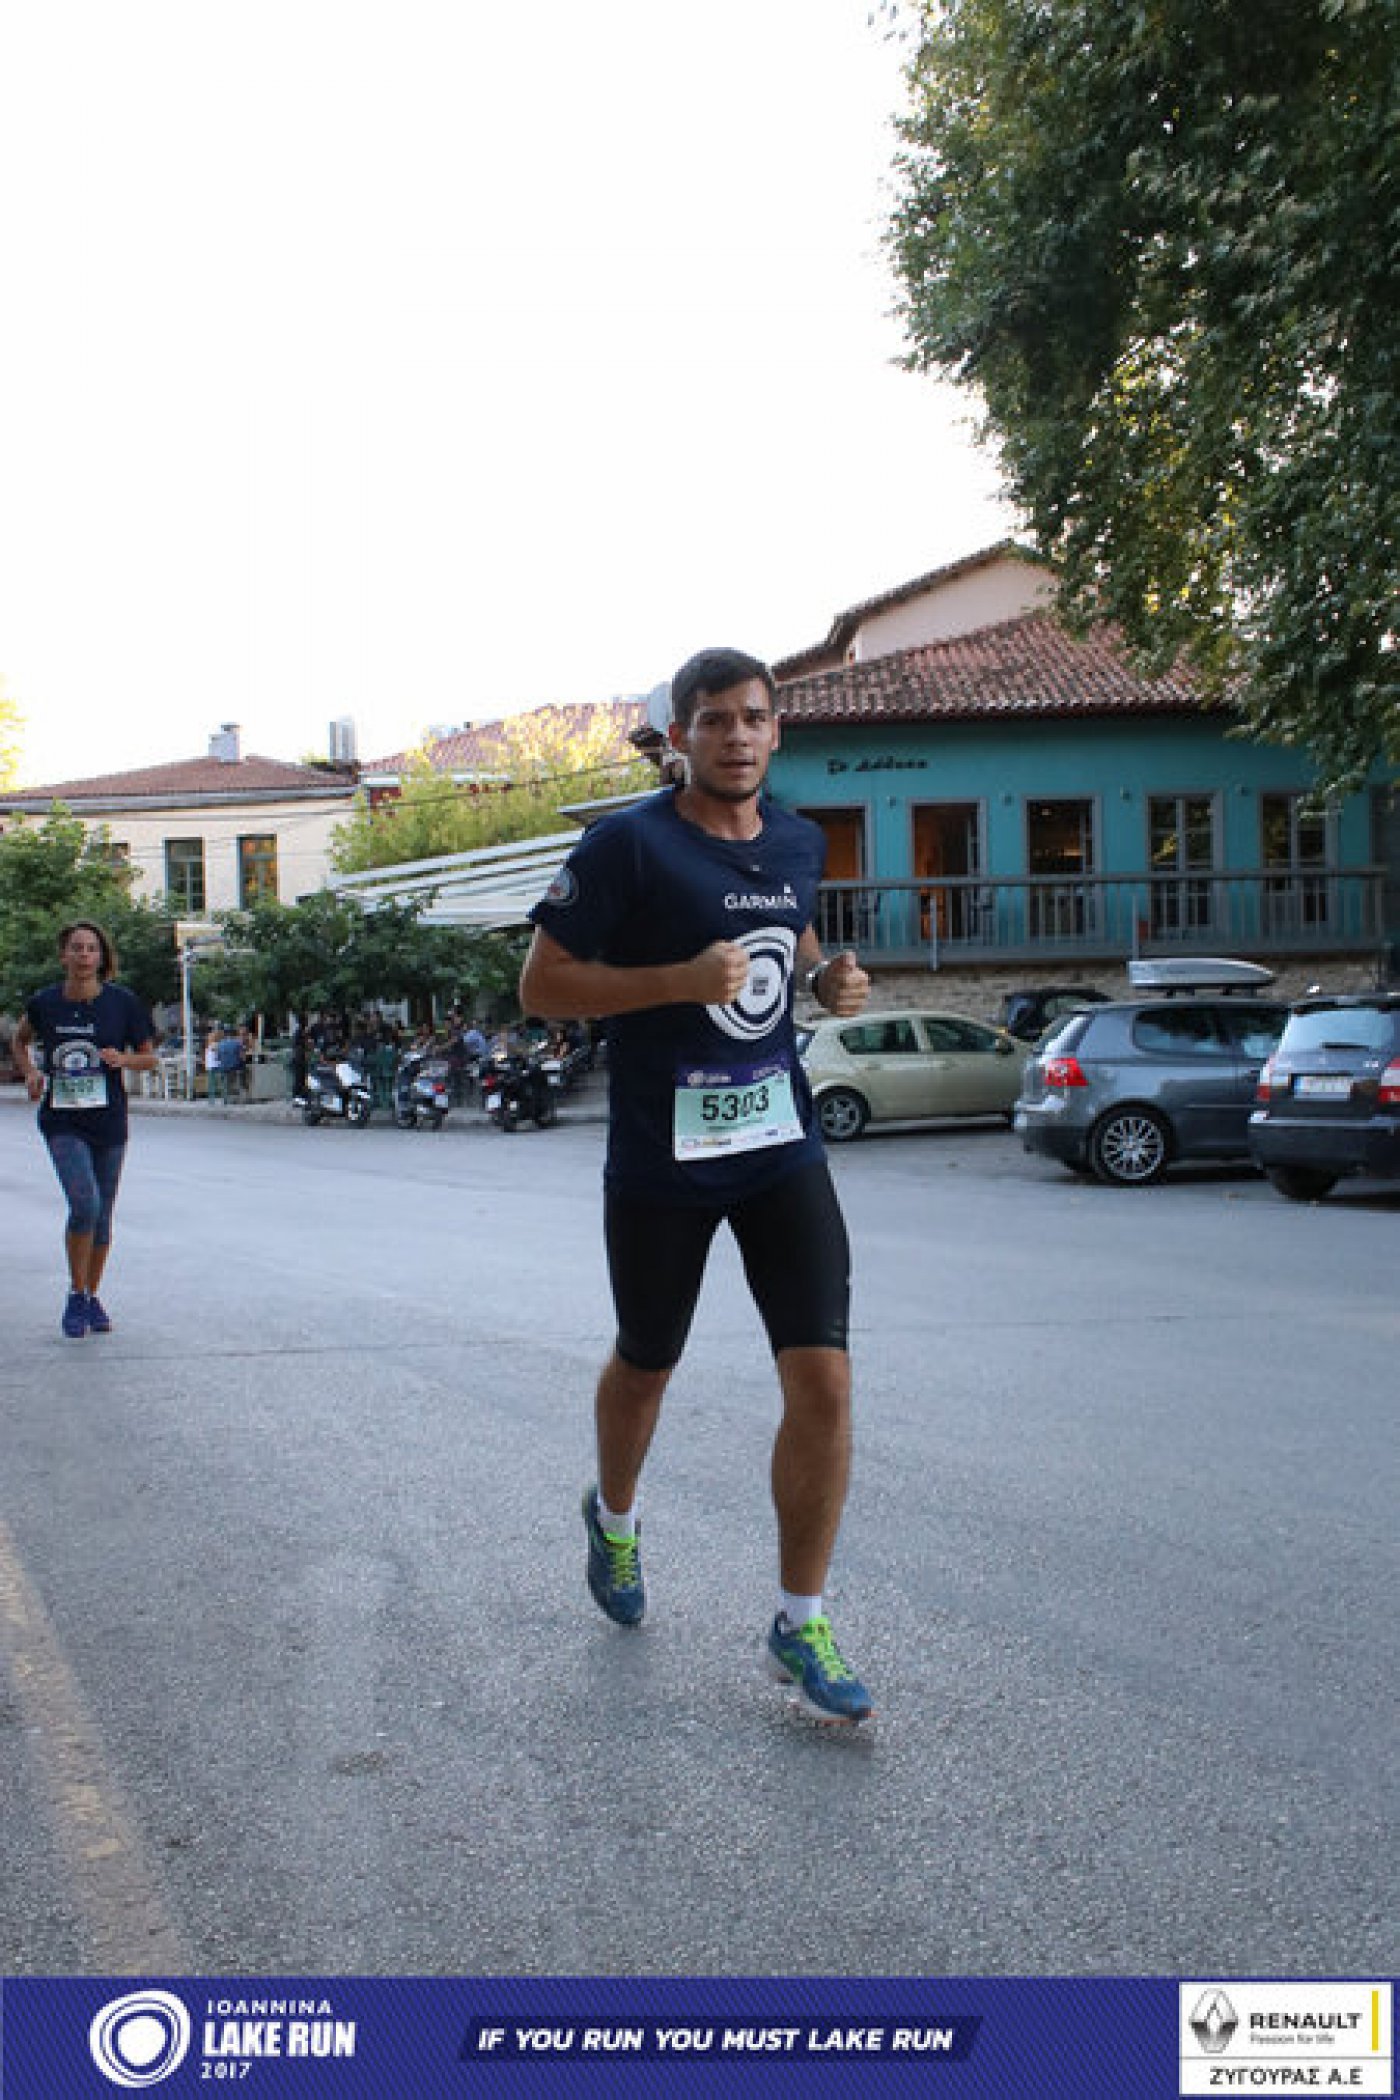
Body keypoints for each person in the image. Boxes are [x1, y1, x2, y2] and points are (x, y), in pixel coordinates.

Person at [519, 646, 874, 1723]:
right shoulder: (626, 845)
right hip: (661, 1156)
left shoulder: (798, 840)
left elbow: (788, 926)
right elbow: (541, 987)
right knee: (647, 1362)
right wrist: (674, 980)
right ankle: (615, 1520)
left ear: (776, 731)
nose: (736, 736)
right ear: (680, 736)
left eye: (753, 718)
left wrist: (821, 974)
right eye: (714, 719)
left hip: (778, 1145)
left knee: (824, 1380)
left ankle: (799, 1621)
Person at [12, 919, 157, 1338]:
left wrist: (123, 1060)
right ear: (63, 956)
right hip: (63, 1119)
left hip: (108, 1120)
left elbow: (149, 1058)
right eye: (76, 948)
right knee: (84, 1204)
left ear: (101, 957)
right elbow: (20, 1041)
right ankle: (76, 1294)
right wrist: (31, 1073)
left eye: (91, 949)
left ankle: (92, 1295)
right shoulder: (45, 1002)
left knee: (103, 1215)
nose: (84, 956)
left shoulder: (122, 1003)